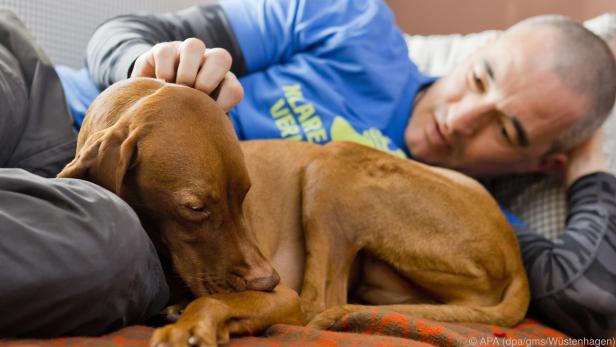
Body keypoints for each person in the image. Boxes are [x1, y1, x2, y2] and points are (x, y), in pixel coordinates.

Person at [82, 0, 616, 339]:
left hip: (117, 232)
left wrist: (593, 165)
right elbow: (121, 29)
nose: (460, 118)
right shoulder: (351, 20)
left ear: (540, 162)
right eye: (479, 79)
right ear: (476, 52)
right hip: (71, 119)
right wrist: (150, 77)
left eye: (509, 130)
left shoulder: (461, 208)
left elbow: (590, 298)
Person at [0, 10, 169, 337]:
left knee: (114, 254)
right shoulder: (295, 14)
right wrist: (141, 64)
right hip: (39, 94)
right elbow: (115, 32)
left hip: (90, 209)